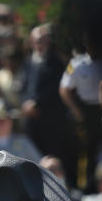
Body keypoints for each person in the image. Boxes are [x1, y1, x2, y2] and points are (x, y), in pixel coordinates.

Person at [20, 24, 78, 188]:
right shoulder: (28, 62)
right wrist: (25, 103)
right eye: (36, 40)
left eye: (43, 40)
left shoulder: (57, 62)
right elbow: (23, 87)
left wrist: (37, 103)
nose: (40, 44)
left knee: (53, 157)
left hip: (51, 120)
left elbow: (56, 89)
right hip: (32, 121)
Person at [60, 39, 102, 192]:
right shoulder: (76, 64)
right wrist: (76, 111)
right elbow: (64, 89)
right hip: (86, 109)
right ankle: (86, 186)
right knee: (86, 151)